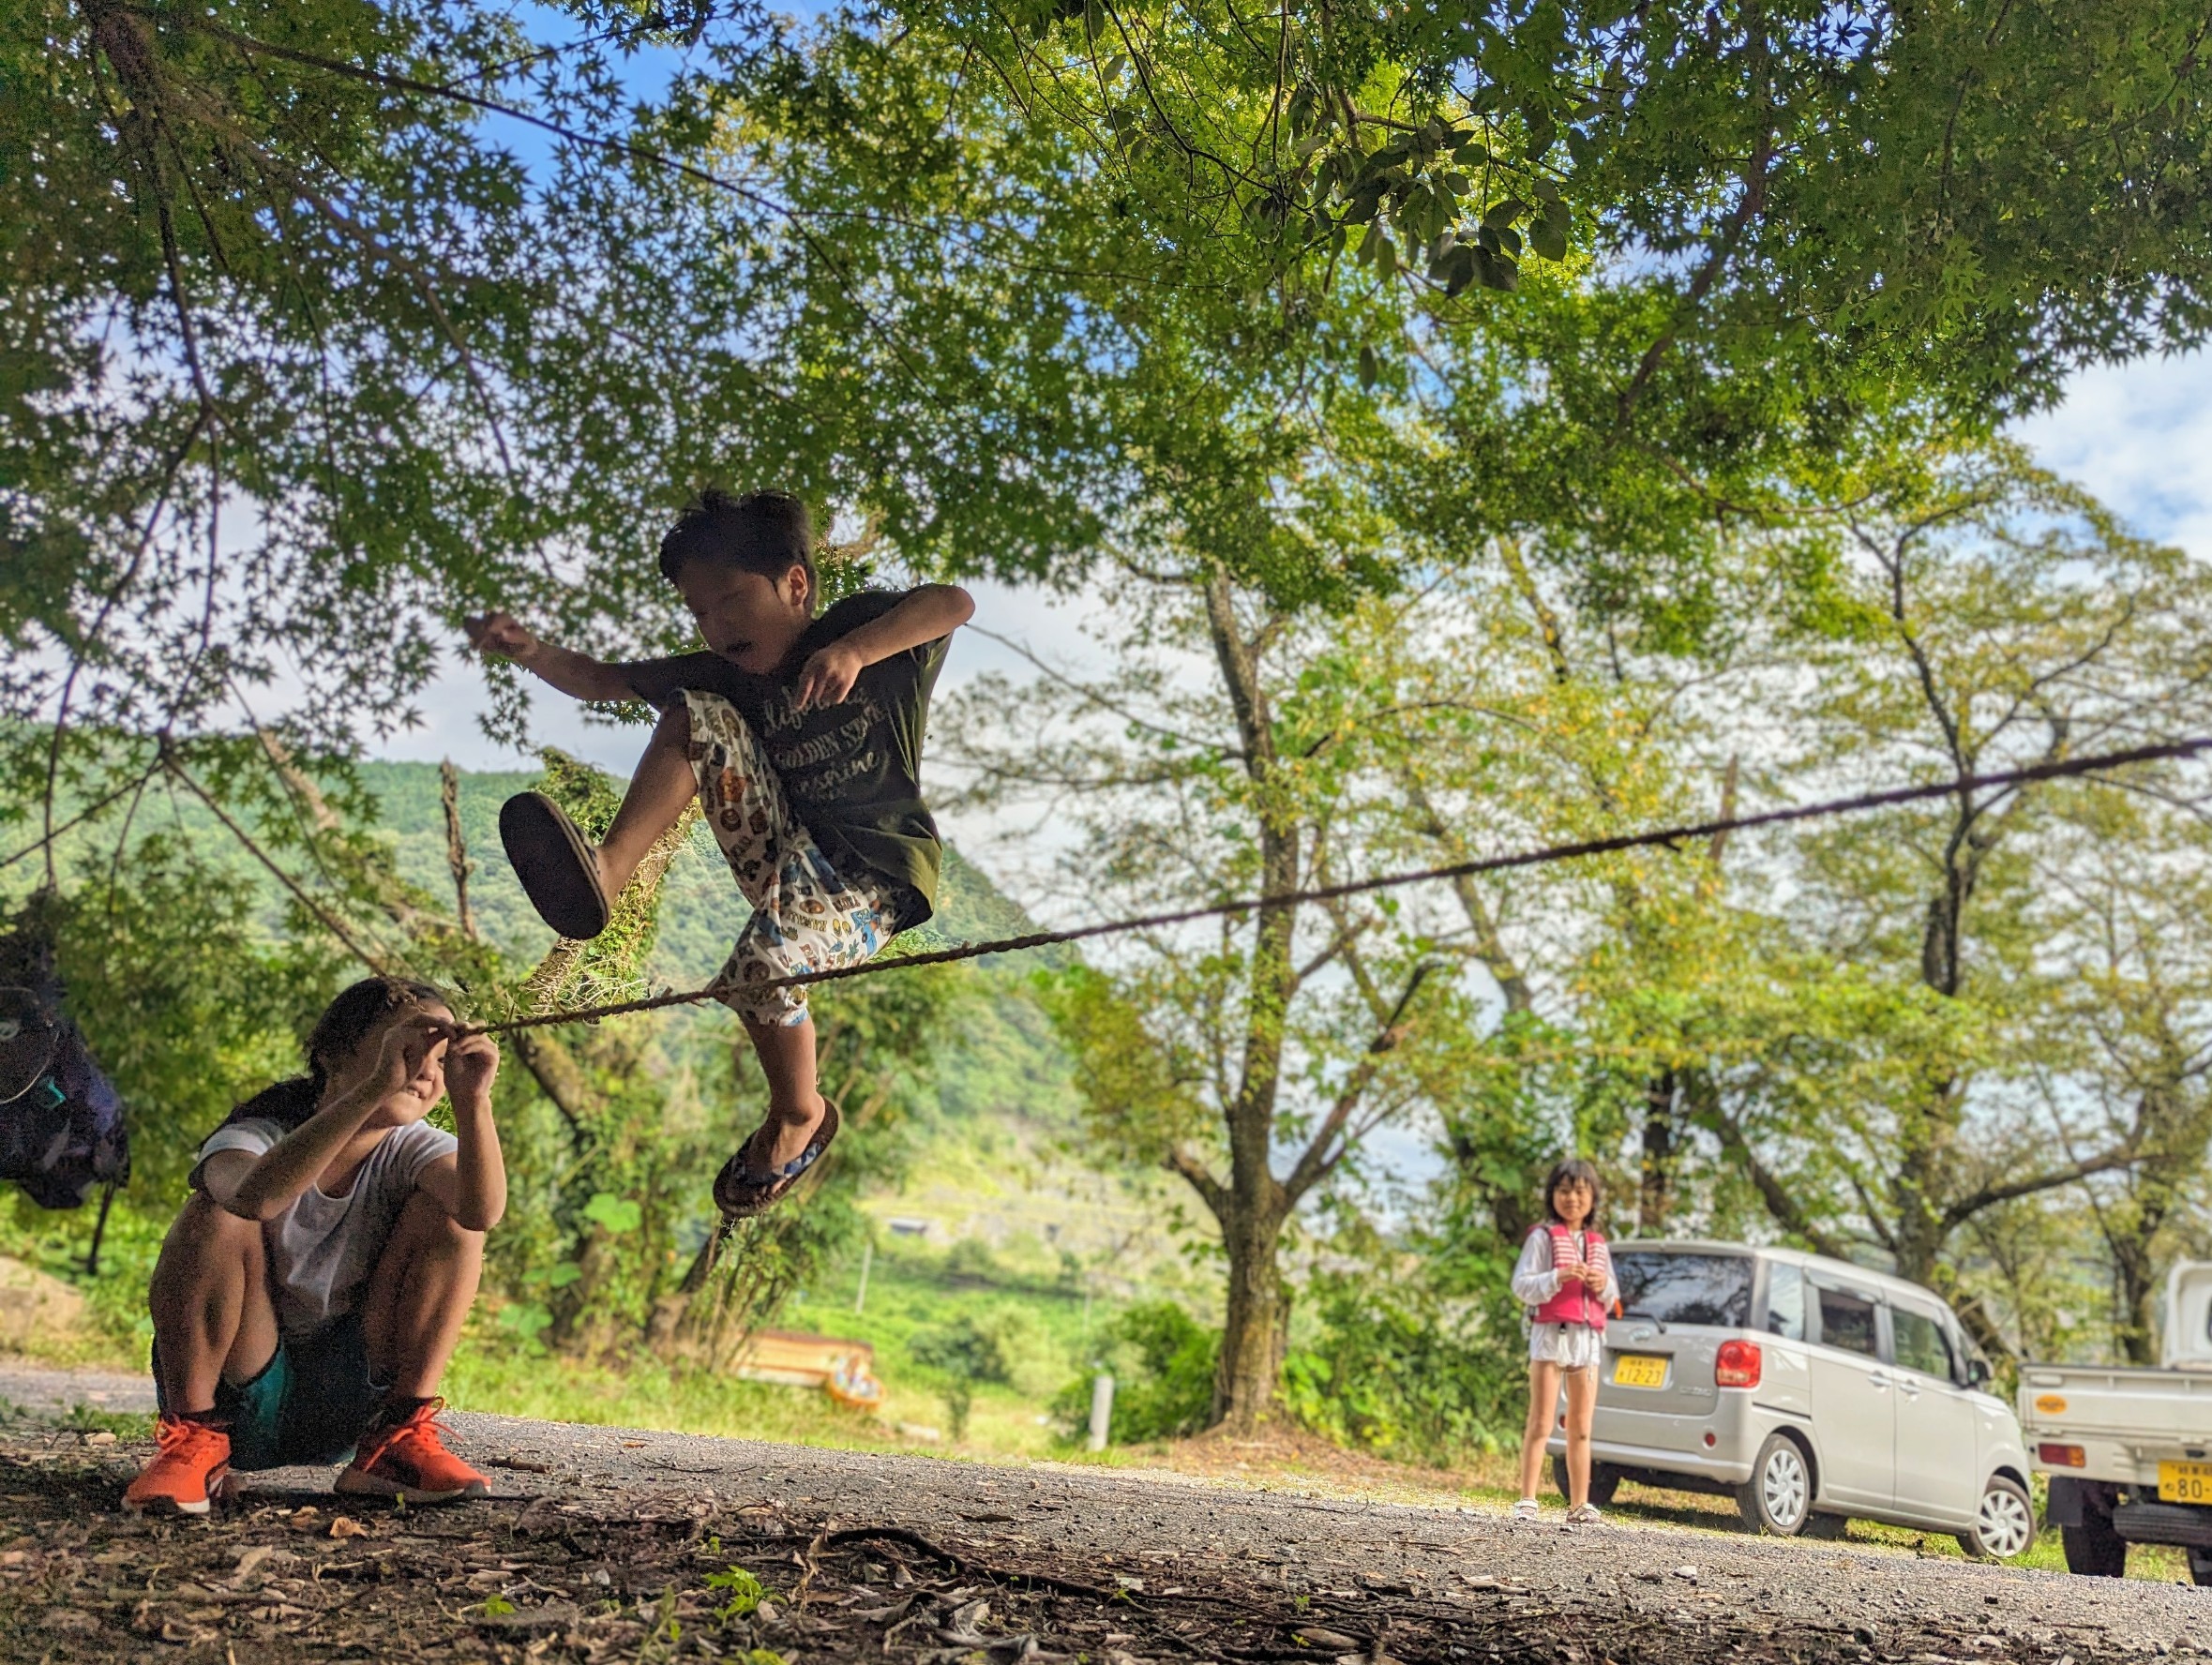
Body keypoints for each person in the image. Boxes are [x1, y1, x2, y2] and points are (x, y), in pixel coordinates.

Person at [464, 488, 971, 1220]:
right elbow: (602, 680)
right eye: (699, 611)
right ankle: (608, 869)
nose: (716, 624)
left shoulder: (860, 633)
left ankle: (798, 1114)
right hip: (783, 853)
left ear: (794, 584)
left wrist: (857, 650)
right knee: (693, 709)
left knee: (762, 972)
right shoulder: (725, 675)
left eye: (731, 600)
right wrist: (529, 649)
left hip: (870, 877)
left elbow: (952, 602)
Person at [123, 978, 504, 1516]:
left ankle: (394, 1445)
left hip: (350, 1401)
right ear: (333, 1055)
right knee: (215, 1212)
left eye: (441, 1060)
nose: (424, 1069)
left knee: (454, 1219)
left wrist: (474, 1101)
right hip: (240, 1399)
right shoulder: (255, 1135)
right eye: (406, 1049)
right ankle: (194, 1444)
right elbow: (256, 1198)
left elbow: (480, 1212)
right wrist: (372, 1090)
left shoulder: (416, 1150)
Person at [1510, 1157, 1617, 1524]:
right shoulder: (1542, 1238)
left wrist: (1603, 1285)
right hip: (1551, 1338)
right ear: (1553, 1195)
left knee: (1581, 1427)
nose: (1572, 1198)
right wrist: (1558, 1276)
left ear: (1592, 1198)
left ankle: (1579, 1504)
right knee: (1541, 1421)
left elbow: (1612, 1297)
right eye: (1565, 1190)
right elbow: (1521, 1285)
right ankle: (1527, 1499)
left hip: (1587, 1341)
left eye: (1580, 1191)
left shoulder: (1598, 1244)